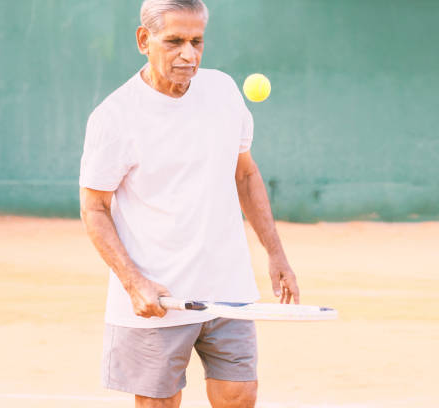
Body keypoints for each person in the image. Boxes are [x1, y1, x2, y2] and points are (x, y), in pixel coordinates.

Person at [79, 1, 299, 407]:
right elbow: (93, 208)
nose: (189, 54)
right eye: (175, 41)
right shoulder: (114, 117)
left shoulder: (223, 91)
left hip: (227, 288)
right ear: (144, 40)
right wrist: (133, 282)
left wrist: (276, 254)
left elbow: (245, 175)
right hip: (157, 300)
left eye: (197, 41)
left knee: (239, 396)